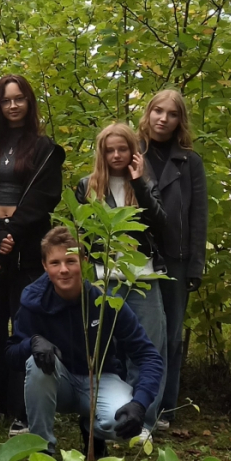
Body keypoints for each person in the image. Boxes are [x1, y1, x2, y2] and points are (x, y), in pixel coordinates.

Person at [10, 227, 163, 461]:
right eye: (55, 262)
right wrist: (33, 343)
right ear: (44, 265)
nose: (63, 269)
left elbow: (148, 355)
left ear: (84, 261)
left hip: (100, 379)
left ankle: (92, 428)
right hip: (58, 382)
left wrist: (140, 404)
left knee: (121, 425)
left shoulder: (105, 300)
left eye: (71, 261)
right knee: (35, 364)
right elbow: (11, 354)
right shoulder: (33, 301)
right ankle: (41, 453)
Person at [0, 75, 64, 434]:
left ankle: (23, 410)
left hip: (28, 249)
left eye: (19, 99)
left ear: (29, 101)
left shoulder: (43, 147)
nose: (13, 106)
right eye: (6, 100)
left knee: (26, 327)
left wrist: (10, 235)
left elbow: (44, 197)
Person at [74, 123, 170, 438]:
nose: (116, 155)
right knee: (103, 350)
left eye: (122, 149)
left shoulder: (145, 182)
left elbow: (159, 225)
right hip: (102, 279)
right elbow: (82, 236)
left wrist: (139, 181)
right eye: (110, 150)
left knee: (148, 348)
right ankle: (109, 416)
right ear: (102, 153)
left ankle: (143, 419)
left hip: (141, 278)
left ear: (133, 151)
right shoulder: (87, 186)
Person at [137, 90, 207, 430]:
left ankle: (166, 407)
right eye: (157, 111)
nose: (163, 118)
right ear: (148, 113)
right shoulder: (130, 152)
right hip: (136, 257)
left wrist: (196, 263)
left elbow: (198, 216)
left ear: (181, 121)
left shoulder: (189, 161)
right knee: (140, 332)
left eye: (172, 114)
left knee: (172, 335)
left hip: (176, 258)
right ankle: (136, 402)